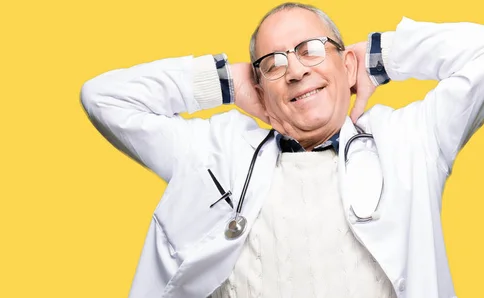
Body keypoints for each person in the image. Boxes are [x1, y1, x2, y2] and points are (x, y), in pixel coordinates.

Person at [81, 2, 484, 297]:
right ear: (259, 92)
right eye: (272, 64)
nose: (295, 71)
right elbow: (103, 98)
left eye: (311, 49)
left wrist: (383, 57)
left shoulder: (410, 139)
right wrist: (221, 81)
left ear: (347, 67)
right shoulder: (216, 149)